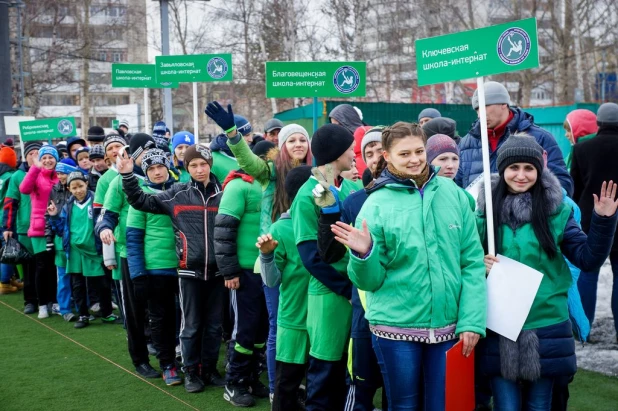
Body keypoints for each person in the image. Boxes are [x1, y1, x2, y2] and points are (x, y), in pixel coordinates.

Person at [334, 121, 487, 410]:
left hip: (448, 328)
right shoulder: (375, 205)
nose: (415, 159)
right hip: (394, 329)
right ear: (387, 157)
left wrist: (472, 320)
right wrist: (364, 253)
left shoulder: (454, 195)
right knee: (403, 406)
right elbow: (368, 282)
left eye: (419, 151)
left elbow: (472, 263)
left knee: (442, 405)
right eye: (405, 154)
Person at [478, 133, 618, 410]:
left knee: (540, 405)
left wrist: (603, 221)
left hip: (547, 323)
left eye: (528, 168)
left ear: (539, 170)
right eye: (513, 168)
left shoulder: (558, 211)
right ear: (502, 169)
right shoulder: (484, 212)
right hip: (499, 324)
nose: (521, 175)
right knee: (506, 406)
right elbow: (465, 261)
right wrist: (479, 264)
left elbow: (587, 259)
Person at [205, 101, 314, 402]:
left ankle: (297, 385)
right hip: (275, 258)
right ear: (281, 145)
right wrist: (232, 133)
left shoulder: (317, 174)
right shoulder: (268, 172)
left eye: (302, 139)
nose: (297, 143)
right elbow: (247, 161)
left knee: (305, 327)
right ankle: (278, 391)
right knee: (276, 328)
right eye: (290, 139)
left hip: (308, 262)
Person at [118, 144, 226, 394]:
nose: (199, 169)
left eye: (203, 164)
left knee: (213, 326)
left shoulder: (224, 194)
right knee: (191, 326)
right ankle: (191, 371)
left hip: (218, 272)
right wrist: (126, 176)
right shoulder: (178, 193)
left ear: (210, 164)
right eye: (193, 165)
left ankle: (209, 369)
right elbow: (140, 201)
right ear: (186, 168)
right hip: (189, 271)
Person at [313, 125, 387, 411]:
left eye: (382, 148)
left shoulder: (418, 197)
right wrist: (328, 211)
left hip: (408, 316)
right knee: (361, 388)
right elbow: (328, 252)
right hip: (365, 315)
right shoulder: (355, 200)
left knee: (399, 393)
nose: (377, 156)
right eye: (369, 152)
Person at [291, 123, 357, 410]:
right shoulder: (308, 194)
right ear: (335, 154)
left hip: (357, 292)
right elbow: (310, 257)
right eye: (350, 149)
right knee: (325, 372)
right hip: (330, 296)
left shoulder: (352, 187)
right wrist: (345, 289)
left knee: (350, 371)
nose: (354, 154)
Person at [95, 133, 158, 379]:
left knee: (161, 307)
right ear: (133, 154)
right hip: (129, 253)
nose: (150, 156)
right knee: (134, 310)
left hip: (161, 255)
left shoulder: (162, 175)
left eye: (154, 150)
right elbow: (105, 214)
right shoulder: (118, 181)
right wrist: (106, 228)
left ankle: (166, 354)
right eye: (145, 151)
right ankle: (140, 359)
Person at [214, 144, 269, 408]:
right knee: (244, 330)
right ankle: (234, 383)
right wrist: (230, 271)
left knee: (262, 330)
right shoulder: (238, 186)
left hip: (268, 272)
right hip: (244, 273)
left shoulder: (271, 185)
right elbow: (223, 231)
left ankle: (251, 378)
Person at [257, 165, 313, 411]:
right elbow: (271, 281)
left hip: (326, 319)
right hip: (293, 320)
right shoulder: (280, 229)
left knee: (322, 384)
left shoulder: (327, 223)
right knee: (286, 386)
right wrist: (266, 256)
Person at [456, 81, 573, 196]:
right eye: (477, 109)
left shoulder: (539, 138)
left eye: (485, 106)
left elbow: (562, 184)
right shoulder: (466, 143)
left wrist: (526, 205)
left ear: (504, 104)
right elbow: (458, 189)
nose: (480, 114)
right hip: (479, 215)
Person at [126, 148, 182, 386]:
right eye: (151, 169)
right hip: (156, 270)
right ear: (146, 172)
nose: (158, 172)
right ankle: (167, 364)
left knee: (183, 318)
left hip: (184, 267)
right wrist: (138, 275)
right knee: (160, 319)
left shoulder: (181, 191)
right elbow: (133, 239)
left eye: (161, 167)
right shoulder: (140, 198)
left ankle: (188, 360)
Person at [571, 102, 618, 342]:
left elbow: (574, 189)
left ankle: (583, 329)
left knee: (588, 274)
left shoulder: (582, 149)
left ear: (598, 123)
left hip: (591, 221)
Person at [48, 171, 119, 329]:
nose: (78, 190)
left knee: (102, 284)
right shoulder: (67, 206)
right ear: (69, 189)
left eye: (80, 185)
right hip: (74, 252)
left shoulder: (96, 201)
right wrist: (53, 217)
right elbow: (61, 230)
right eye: (74, 187)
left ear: (86, 184)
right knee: (78, 285)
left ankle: (107, 313)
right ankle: (83, 315)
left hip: (94, 250)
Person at [19, 145, 60, 319]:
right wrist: (35, 167)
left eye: (51, 157)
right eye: (44, 158)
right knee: (41, 267)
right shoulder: (36, 175)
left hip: (57, 226)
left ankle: (55, 301)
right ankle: (42, 304)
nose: (48, 161)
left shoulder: (60, 177)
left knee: (54, 267)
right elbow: (24, 189)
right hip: (39, 228)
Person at [3, 142, 41, 313]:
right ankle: (30, 301)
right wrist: (7, 227)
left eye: (37, 152)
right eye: (31, 153)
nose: (34, 156)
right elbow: (10, 202)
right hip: (25, 228)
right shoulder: (17, 176)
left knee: (46, 267)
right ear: (25, 157)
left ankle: (47, 300)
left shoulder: (47, 172)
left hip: (46, 229)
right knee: (29, 268)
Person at [46, 159, 79, 321]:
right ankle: (65, 309)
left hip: (77, 240)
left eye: (63, 172)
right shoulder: (54, 190)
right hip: (60, 241)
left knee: (79, 277)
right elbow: (49, 215)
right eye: (58, 173)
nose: (59, 176)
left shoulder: (79, 187)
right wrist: (48, 239)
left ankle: (82, 308)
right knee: (64, 278)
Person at [208, 113, 252, 182]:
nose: (251, 139)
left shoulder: (251, 154)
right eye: (246, 135)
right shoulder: (213, 160)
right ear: (233, 136)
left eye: (250, 134)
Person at [0, 146, 19, 294]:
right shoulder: (11, 177)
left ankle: (9, 278)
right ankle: (5, 282)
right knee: (8, 249)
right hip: (5, 218)